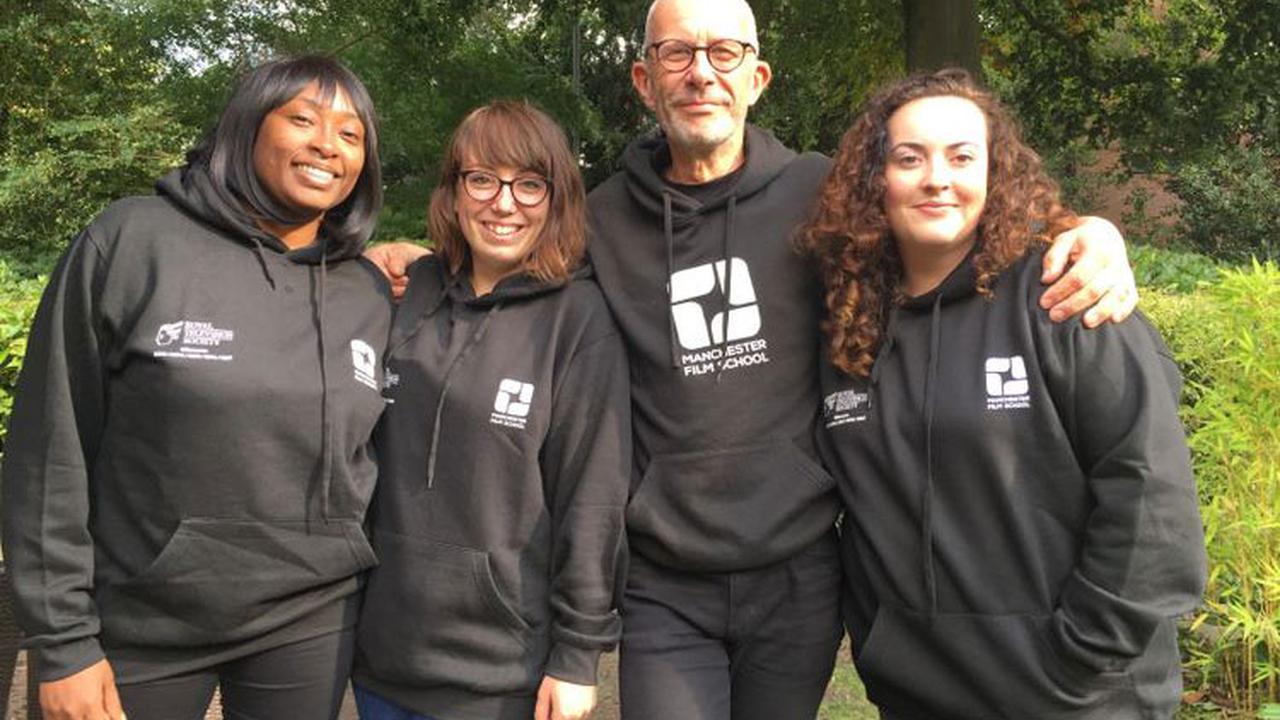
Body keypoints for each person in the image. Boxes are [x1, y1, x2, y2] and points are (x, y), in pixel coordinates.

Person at [366, 2, 1141, 717]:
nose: (701, 71)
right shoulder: (600, 221)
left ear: (757, 78)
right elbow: (507, 260)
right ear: (644, 80)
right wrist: (407, 259)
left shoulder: (818, 193)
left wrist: (1084, 229)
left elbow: (946, 218)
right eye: (676, 54)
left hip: (797, 570)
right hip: (664, 578)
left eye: (724, 52)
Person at [802, 69, 1206, 719]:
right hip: (919, 693)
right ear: (874, 178)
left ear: (996, 173)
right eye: (910, 158)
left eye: (962, 156)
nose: (938, 177)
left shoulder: (1065, 295)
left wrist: (1082, 652)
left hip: (1079, 696)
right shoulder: (848, 326)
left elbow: (1150, 493)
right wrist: (883, 640)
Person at [2, 55, 392, 720]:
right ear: (247, 126)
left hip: (309, 618)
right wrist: (63, 641)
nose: (328, 143)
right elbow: (49, 449)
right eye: (303, 119)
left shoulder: (369, 291)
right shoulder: (131, 243)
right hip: (138, 620)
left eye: (351, 134)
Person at [350, 100, 630, 720]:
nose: (504, 204)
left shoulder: (580, 322)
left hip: (502, 676)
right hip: (382, 660)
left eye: (529, 184)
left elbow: (594, 498)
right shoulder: (406, 294)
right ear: (453, 193)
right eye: (482, 179)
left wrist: (578, 656)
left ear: (556, 200)